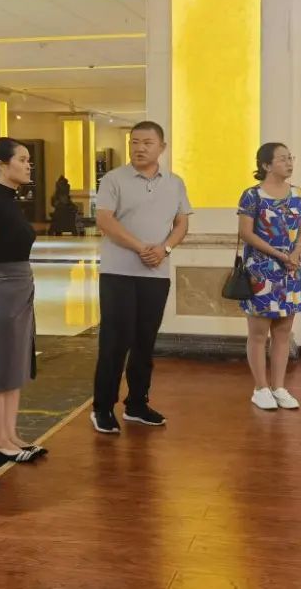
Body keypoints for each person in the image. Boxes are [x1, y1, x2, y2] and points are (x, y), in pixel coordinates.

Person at [91, 120, 192, 434]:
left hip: (156, 274)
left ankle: (136, 404)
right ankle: (102, 408)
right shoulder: (113, 179)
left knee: (145, 342)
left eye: (147, 142)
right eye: (134, 142)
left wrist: (165, 249)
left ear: (162, 147)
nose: (139, 148)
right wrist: (141, 247)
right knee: (114, 342)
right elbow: (104, 220)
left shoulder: (175, 183)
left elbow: (182, 223)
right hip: (118, 273)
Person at [0, 138, 44, 464]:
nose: (28, 165)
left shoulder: (10, 200)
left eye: (28, 159)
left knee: (15, 364)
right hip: (1, 288)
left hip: (19, 287)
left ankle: (11, 434)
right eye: (22, 159)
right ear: (1, 164)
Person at [236, 142, 301, 411]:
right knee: (258, 333)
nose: (289, 163)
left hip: (290, 270)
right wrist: (279, 255)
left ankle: (279, 387)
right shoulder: (251, 195)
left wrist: (296, 252)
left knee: (283, 331)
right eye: (282, 159)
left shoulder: (298, 194)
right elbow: (246, 233)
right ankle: (260, 388)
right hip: (261, 271)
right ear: (266, 165)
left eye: (290, 158)